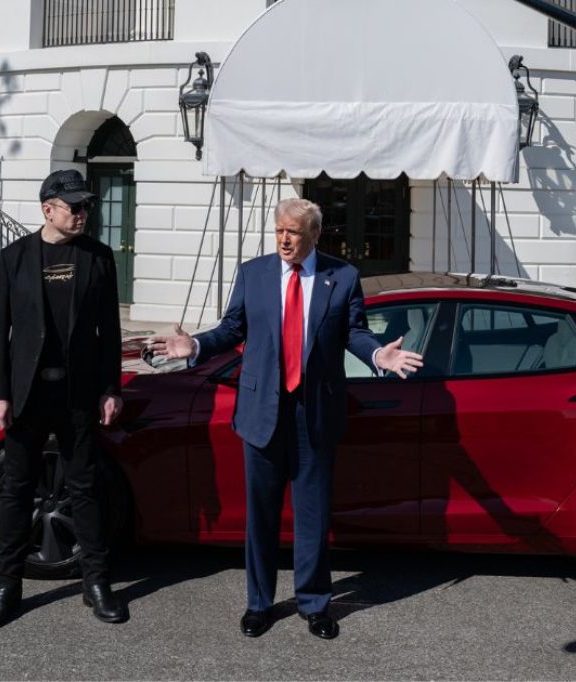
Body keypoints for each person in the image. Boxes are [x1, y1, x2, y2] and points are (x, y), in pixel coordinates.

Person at [148, 198, 423, 640]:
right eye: (278, 230)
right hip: (262, 411)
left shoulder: (342, 276)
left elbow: (353, 331)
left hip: (315, 412)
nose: (284, 239)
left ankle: (314, 603)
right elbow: (232, 328)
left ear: (314, 234)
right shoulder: (253, 273)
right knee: (261, 515)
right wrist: (195, 346)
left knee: (313, 515)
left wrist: (377, 355)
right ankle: (259, 603)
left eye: (293, 231)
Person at [0, 169, 127, 631]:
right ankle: (6, 587)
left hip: (79, 394)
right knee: (17, 490)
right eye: (74, 206)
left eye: (86, 207)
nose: (82, 214)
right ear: (48, 209)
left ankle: (96, 583)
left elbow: (110, 332)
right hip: (28, 394)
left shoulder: (98, 257)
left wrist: (111, 388)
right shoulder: (14, 257)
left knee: (85, 488)